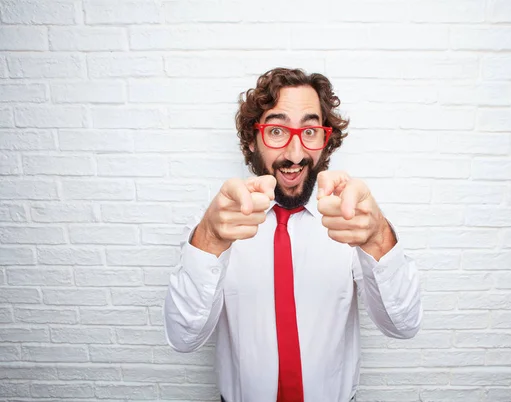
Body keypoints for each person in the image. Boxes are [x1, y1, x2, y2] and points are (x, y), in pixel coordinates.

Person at [163, 68, 422, 402]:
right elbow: (184, 340)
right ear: (251, 140)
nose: (296, 153)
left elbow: (403, 327)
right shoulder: (216, 223)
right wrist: (210, 240)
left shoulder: (353, 218)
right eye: (276, 130)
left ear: (326, 139)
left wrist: (378, 239)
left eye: (310, 131)